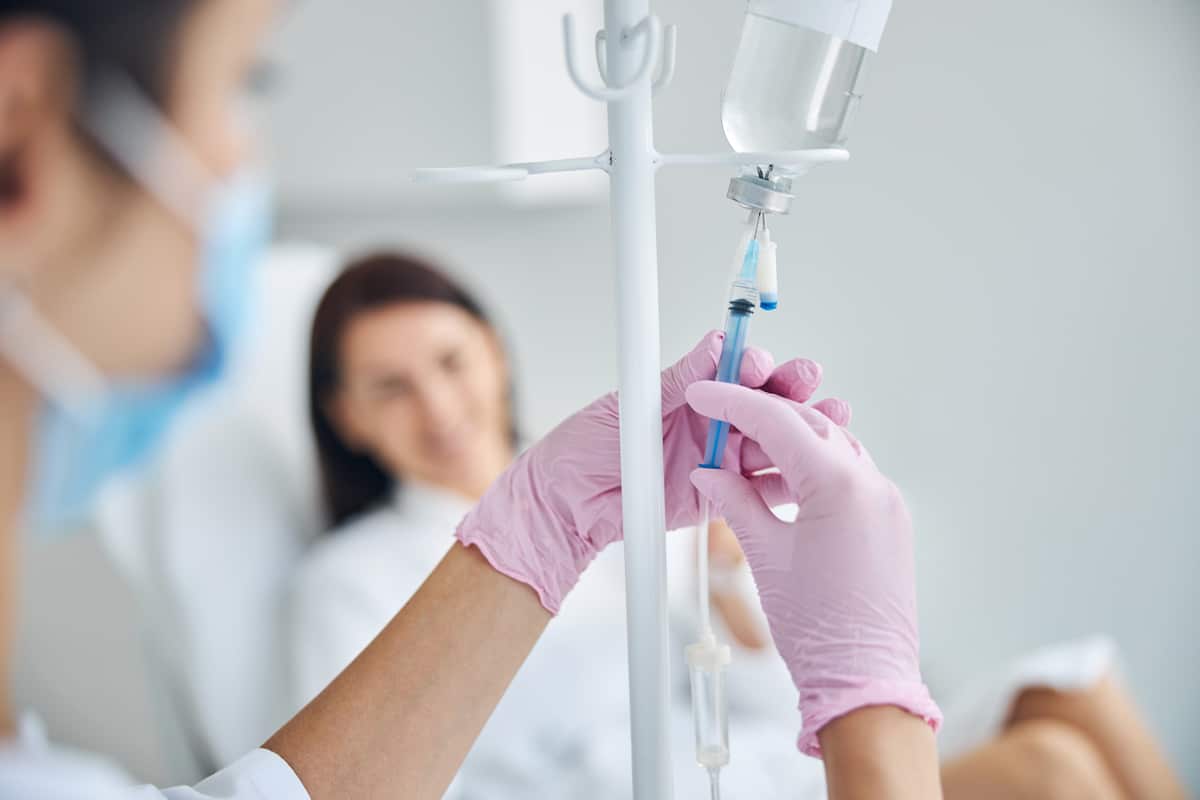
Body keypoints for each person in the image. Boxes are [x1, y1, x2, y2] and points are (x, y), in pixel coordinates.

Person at [0, 3, 1186, 800]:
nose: (240, 168)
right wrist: (870, 685)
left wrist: (602, 532)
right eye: (240, 85)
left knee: (1073, 682)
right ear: (22, 139)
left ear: (495, 353)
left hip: (744, 750)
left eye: (450, 361)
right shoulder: (349, 579)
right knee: (1051, 770)